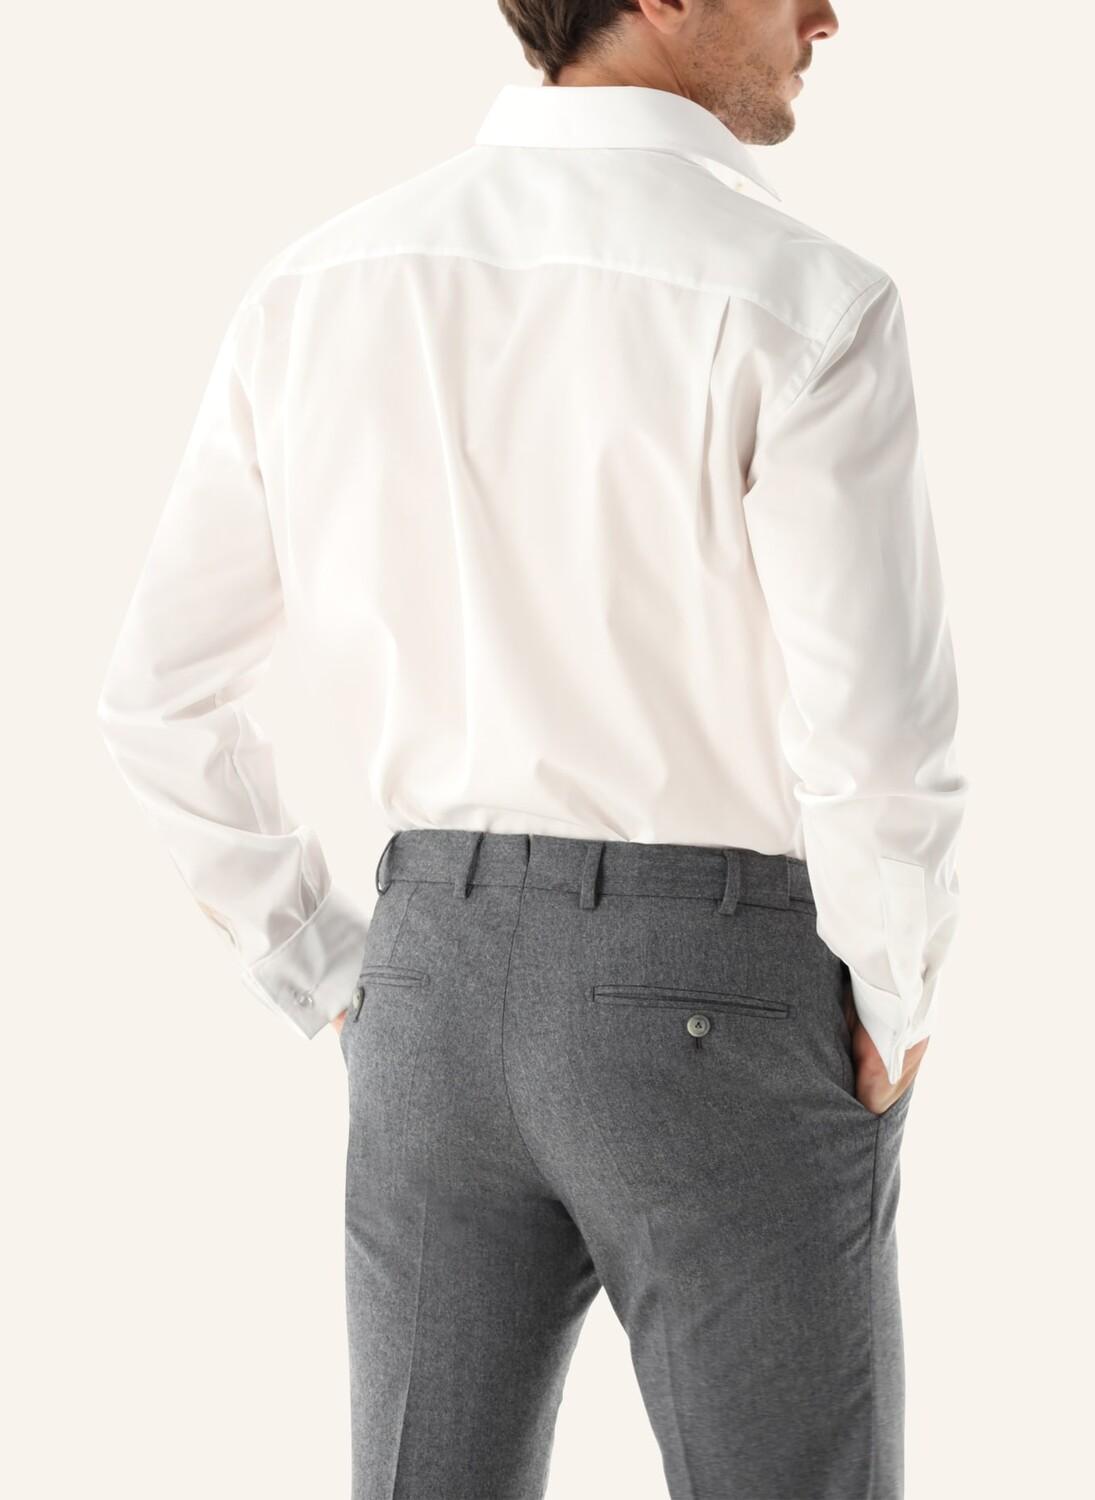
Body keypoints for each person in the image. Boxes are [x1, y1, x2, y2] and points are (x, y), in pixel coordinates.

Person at [96, 2, 968, 1495]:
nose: (829, 12)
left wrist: (331, 964)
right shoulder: (801, 298)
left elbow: (158, 697)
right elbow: (877, 728)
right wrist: (895, 983)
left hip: (427, 983)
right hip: (718, 996)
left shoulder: (320, 285)